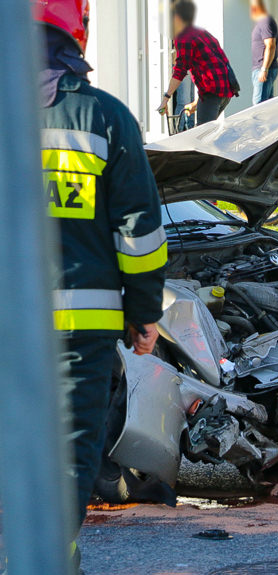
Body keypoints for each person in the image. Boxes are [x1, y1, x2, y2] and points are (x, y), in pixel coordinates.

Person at [33, 0, 166, 569]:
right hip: (78, 330)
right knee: (68, 451)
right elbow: (139, 232)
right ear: (75, 34)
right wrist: (144, 313)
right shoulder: (104, 117)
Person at [158, 0, 237, 125]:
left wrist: (165, 99)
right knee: (208, 133)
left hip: (212, 92)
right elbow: (216, 62)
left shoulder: (182, 37)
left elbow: (180, 70)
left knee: (202, 137)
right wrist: (197, 103)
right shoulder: (200, 32)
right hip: (225, 90)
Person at [250, 0, 278, 105]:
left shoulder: (265, 20)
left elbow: (271, 45)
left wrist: (264, 68)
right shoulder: (261, 21)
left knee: (259, 105)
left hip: (264, 68)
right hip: (261, 68)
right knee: (267, 104)